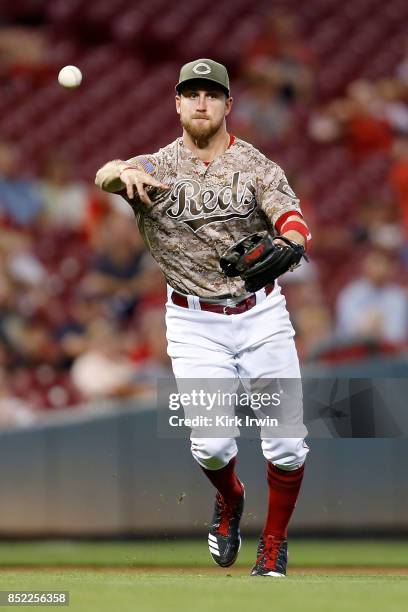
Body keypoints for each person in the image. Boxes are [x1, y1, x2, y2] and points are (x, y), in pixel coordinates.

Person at [95, 59, 311, 577]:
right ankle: (230, 499)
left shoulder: (256, 165)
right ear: (176, 103)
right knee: (212, 447)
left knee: (286, 442)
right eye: (190, 93)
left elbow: (294, 222)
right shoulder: (153, 167)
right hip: (194, 322)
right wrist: (122, 171)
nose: (200, 102)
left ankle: (274, 543)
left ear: (227, 104)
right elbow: (103, 175)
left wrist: (292, 244)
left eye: (211, 94)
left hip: (261, 316)